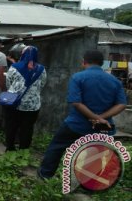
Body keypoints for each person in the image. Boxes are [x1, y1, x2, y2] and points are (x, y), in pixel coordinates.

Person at [38, 50, 127, 179]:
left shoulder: (78, 77)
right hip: (103, 127)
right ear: (102, 63)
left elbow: (76, 103)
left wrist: (94, 118)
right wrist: (101, 118)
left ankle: (45, 175)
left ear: (84, 61)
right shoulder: (115, 81)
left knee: (56, 147)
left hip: (77, 124)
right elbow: (121, 104)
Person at [3, 46, 47, 151]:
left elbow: (8, 83)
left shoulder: (14, 67)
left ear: (22, 54)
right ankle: (24, 149)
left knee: (11, 125)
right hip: (32, 105)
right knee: (27, 128)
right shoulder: (41, 69)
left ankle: (10, 147)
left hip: (13, 102)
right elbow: (42, 85)